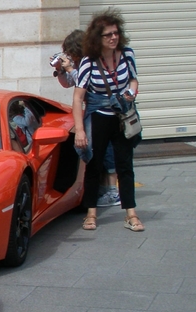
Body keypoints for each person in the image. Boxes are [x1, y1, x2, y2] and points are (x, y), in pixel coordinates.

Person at [72, 8, 144, 231]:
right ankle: (91, 214)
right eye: (108, 35)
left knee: (125, 165)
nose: (113, 38)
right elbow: (78, 98)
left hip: (122, 117)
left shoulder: (127, 55)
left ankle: (131, 214)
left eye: (115, 33)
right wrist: (81, 131)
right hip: (98, 116)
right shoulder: (88, 62)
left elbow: (133, 81)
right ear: (98, 38)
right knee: (94, 164)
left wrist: (130, 93)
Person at [52, 29, 120, 208]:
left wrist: (70, 69)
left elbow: (86, 84)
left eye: (70, 52)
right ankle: (102, 186)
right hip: (93, 110)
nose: (69, 56)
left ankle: (112, 191)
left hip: (106, 110)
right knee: (94, 148)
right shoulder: (80, 64)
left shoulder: (95, 61)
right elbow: (68, 83)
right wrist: (61, 70)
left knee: (105, 150)